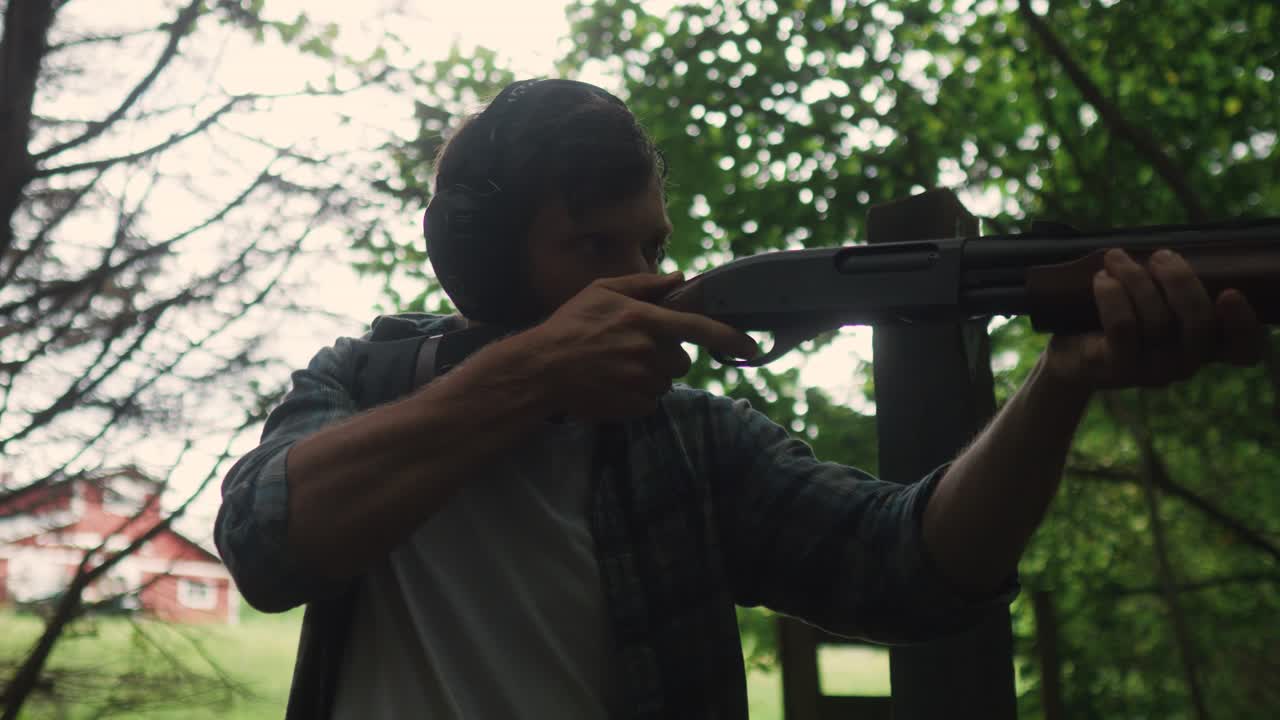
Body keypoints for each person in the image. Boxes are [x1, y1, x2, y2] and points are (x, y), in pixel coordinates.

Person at [214, 79, 1266, 719]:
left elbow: (911, 570)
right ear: (481, 262)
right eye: (592, 244)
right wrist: (534, 375)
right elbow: (267, 542)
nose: (642, 278)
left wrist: (1061, 382)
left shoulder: (687, 437)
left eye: (651, 245)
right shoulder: (364, 383)